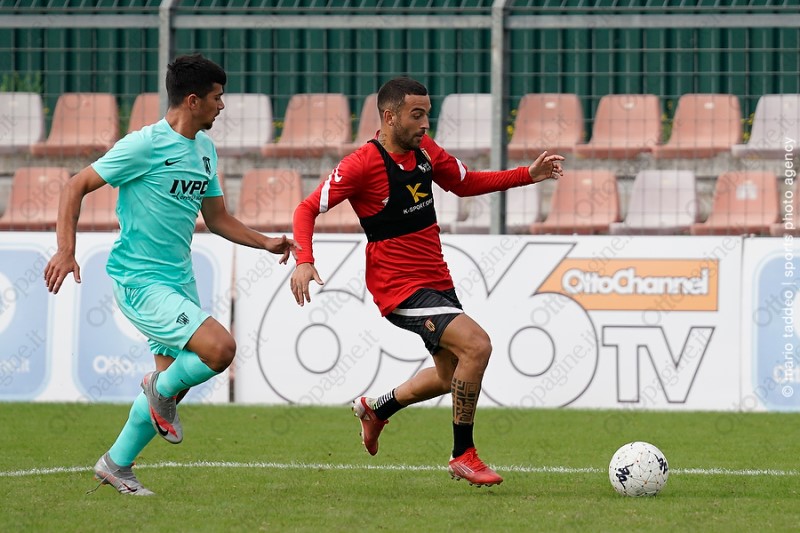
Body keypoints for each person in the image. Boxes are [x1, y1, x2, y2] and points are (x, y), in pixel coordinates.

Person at [43, 54, 298, 496]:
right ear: (193, 100)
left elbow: (217, 219)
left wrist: (266, 242)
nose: (222, 106)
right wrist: (67, 250)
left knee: (172, 393)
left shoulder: (205, 150)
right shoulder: (144, 145)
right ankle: (156, 388)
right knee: (219, 349)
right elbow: (74, 185)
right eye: (217, 98)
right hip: (140, 281)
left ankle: (116, 464)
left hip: (179, 280)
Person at [289, 77, 563, 487]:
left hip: (437, 279)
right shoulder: (362, 164)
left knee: (449, 374)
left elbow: (465, 184)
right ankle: (463, 453)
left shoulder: (425, 150)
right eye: (416, 115)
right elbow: (306, 208)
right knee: (477, 345)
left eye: (427, 114)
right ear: (389, 116)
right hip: (398, 287)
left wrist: (528, 174)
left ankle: (377, 409)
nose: (425, 123)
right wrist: (304, 261)